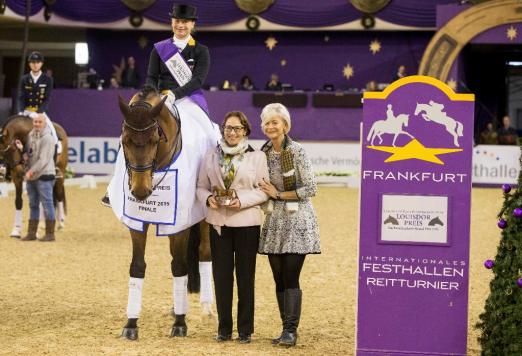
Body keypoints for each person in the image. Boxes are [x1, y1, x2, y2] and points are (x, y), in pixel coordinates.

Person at [196, 111, 269, 343]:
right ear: (223, 130)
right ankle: (224, 329)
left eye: (237, 128)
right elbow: (200, 187)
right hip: (219, 224)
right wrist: (208, 199)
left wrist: (242, 200)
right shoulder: (210, 156)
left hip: (247, 224)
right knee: (222, 277)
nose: (232, 132)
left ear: (245, 131)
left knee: (246, 278)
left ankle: (245, 330)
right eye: (228, 128)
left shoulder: (257, 157)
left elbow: (263, 190)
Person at [257, 103, 321, 347]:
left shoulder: (297, 151)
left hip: (297, 220)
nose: (271, 126)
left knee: (291, 276)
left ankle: (290, 331)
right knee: (279, 279)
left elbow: (311, 188)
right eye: (267, 122)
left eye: (275, 122)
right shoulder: (262, 153)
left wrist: (278, 194)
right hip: (274, 222)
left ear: (285, 125)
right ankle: (286, 327)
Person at [20, 114, 56, 242]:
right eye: (35, 122)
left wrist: (30, 172)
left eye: (39, 122)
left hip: (44, 176)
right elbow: (30, 153)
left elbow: (43, 160)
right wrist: (22, 151)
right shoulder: (31, 135)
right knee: (33, 204)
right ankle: (31, 233)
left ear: (45, 123)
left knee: (48, 205)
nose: (36, 124)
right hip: (33, 177)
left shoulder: (48, 138)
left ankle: (50, 234)